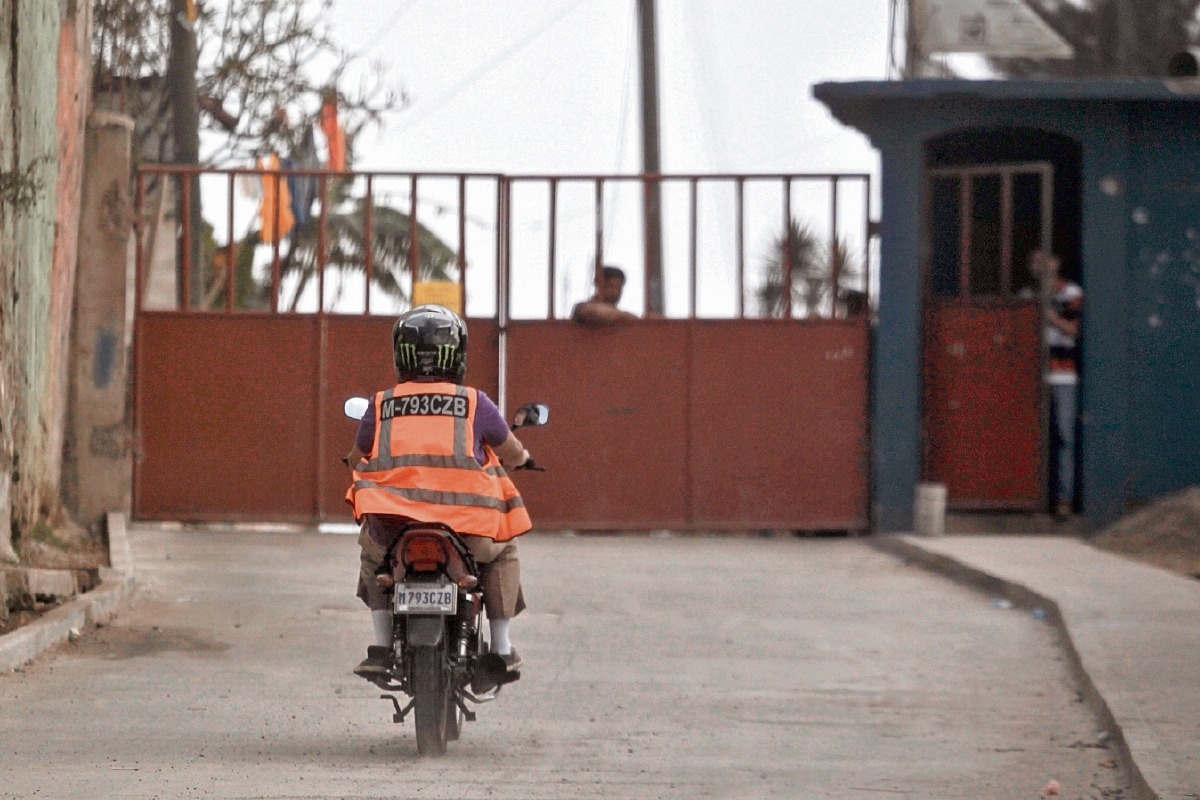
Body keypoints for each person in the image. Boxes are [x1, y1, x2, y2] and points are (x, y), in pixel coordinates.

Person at [345, 304, 533, 679]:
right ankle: (501, 648)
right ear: (456, 355)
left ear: (401, 355)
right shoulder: (476, 403)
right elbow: (510, 450)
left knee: (373, 560)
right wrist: (525, 458)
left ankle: (381, 648)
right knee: (504, 551)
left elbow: (356, 456)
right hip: (467, 530)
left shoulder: (380, 404)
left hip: (394, 528)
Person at [1032, 251, 1083, 519]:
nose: (1041, 265)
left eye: (1046, 258)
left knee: (1063, 437)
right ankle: (1031, 498)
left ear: (1057, 262)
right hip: (1032, 377)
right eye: (1035, 260)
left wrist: (1049, 316)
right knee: (1032, 438)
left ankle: (1063, 500)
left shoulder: (1071, 293)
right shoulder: (1026, 296)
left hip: (1063, 375)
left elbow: (1074, 330)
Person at [571, 265, 639, 325]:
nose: (615, 292)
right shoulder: (582, 308)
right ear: (598, 286)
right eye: (610, 286)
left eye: (618, 287)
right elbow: (589, 312)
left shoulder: (621, 317)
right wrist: (623, 315)